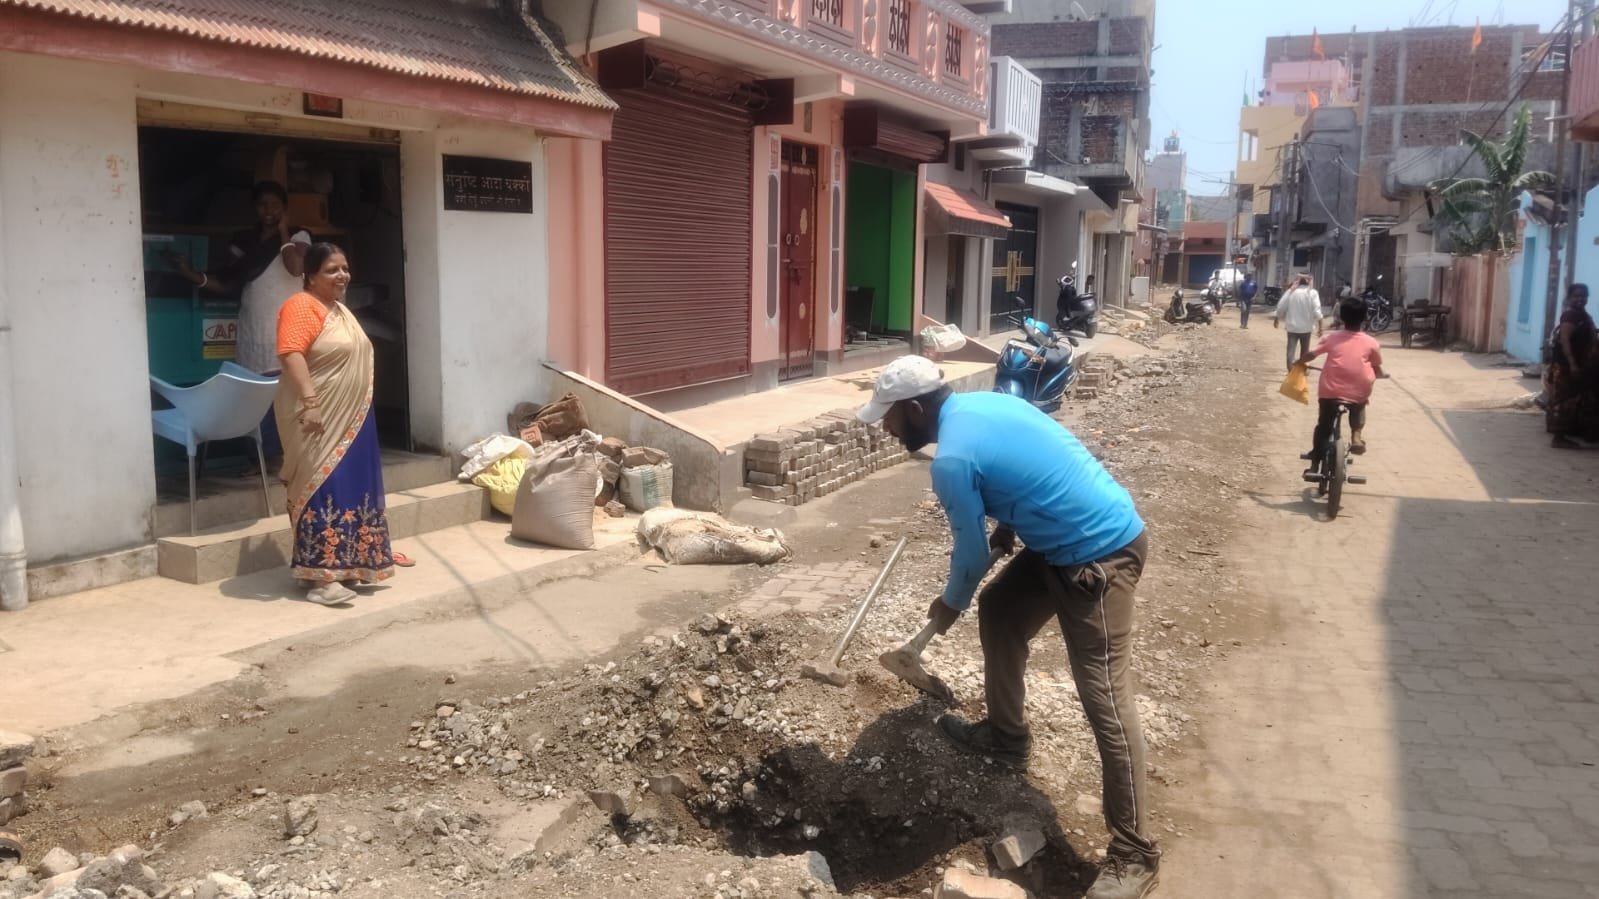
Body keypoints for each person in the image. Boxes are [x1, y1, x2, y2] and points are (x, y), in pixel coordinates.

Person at [858, 355, 1160, 899]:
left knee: (1105, 699)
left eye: (889, 416)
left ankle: (1135, 853)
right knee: (1000, 610)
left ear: (916, 409)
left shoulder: (951, 460)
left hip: (1099, 556)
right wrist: (1006, 526)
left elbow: (969, 555)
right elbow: (1022, 468)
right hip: (1060, 544)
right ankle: (1006, 739)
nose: (886, 428)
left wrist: (950, 603)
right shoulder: (986, 405)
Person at [276, 243, 399, 605]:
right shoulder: (301, 305)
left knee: (350, 487)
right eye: (332, 269)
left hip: (353, 419)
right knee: (322, 487)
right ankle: (321, 579)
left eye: (345, 268)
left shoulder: (340, 311)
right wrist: (311, 403)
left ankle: (349, 565)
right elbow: (291, 352)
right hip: (317, 418)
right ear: (311, 275)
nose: (342, 275)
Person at [173, 181, 312, 475]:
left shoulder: (298, 236)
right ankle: (261, 459)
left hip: (285, 327)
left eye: (275, 205)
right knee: (254, 396)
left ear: (285, 208)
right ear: (255, 208)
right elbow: (228, 282)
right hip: (252, 328)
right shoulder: (245, 240)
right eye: (263, 205)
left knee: (283, 395)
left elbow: (296, 268)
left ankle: (284, 458)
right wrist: (191, 275)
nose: (269, 210)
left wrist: (284, 231)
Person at [1295, 298, 1384, 472]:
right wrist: (1380, 374)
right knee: (1359, 404)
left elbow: (1311, 355)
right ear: (1364, 318)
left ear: (1342, 317)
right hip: (1359, 388)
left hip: (1331, 389)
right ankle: (1356, 435)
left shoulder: (1332, 338)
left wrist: (1298, 362)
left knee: (1323, 425)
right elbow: (1377, 366)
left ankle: (1315, 463)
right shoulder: (1371, 342)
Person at [1545, 283, 1598, 449]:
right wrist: (1573, 364)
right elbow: (1565, 340)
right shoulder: (1570, 316)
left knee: (1584, 398)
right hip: (1567, 365)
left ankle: (1587, 433)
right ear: (1569, 298)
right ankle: (1558, 438)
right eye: (1576, 296)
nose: (1580, 299)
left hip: (1581, 364)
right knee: (1564, 400)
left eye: (1584, 296)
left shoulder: (1582, 315)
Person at [1274, 274, 1323, 372]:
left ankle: (1291, 371)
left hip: (1292, 328)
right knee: (1305, 352)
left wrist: (1277, 318)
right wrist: (1320, 327)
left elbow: (1281, 306)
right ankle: (1301, 371)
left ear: (1298, 281)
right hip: (1306, 328)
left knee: (1290, 351)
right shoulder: (1313, 293)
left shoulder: (1291, 292)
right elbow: (1317, 310)